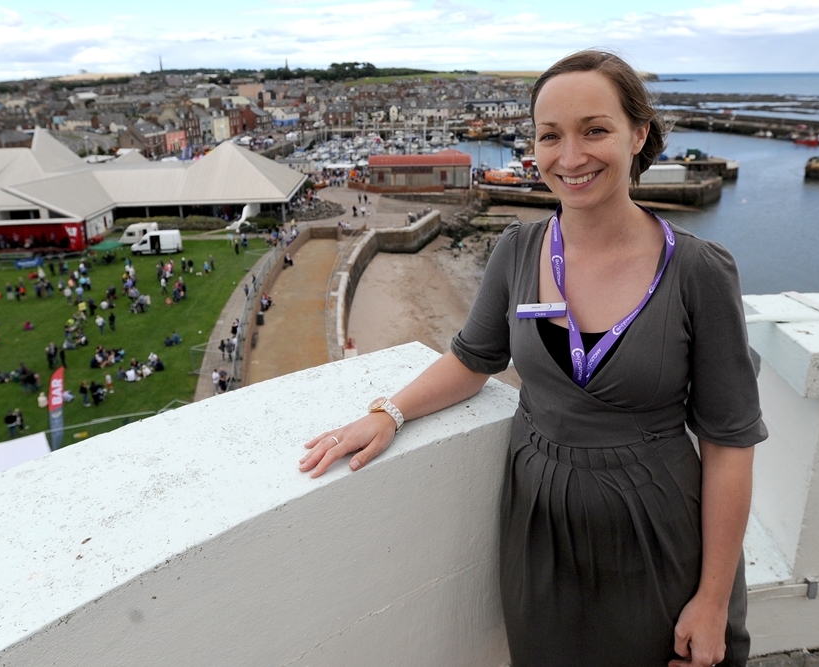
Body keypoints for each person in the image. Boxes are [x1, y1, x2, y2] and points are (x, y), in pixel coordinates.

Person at [299, 50, 766, 667]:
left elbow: (730, 444)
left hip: (658, 535)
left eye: (595, 130)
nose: (570, 158)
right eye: (551, 136)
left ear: (639, 133)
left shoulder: (698, 271)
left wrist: (710, 600)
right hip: (539, 533)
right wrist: (389, 412)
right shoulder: (517, 252)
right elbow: (472, 360)